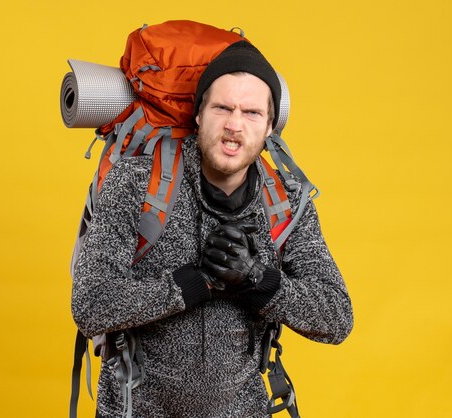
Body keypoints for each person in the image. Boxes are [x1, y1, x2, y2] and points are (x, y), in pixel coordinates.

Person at [72, 40, 353, 418]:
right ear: (200, 114)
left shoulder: (284, 202)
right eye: (223, 108)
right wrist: (194, 283)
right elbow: (90, 305)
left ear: (270, 126)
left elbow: (336, 318)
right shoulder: (137, 184)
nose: (235, 125)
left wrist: (259, 280)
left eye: (252, 113)